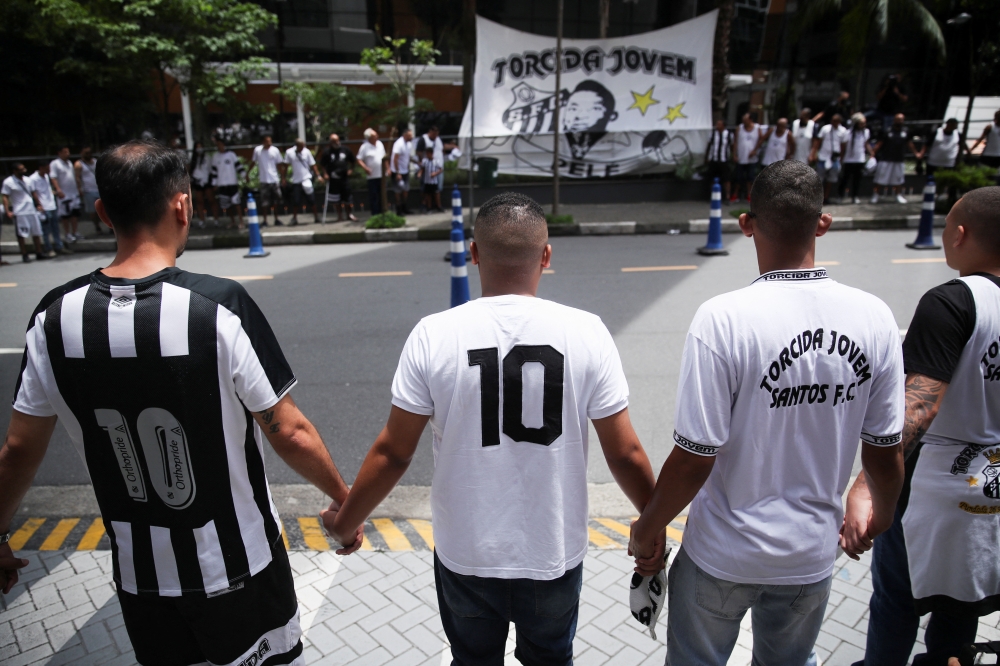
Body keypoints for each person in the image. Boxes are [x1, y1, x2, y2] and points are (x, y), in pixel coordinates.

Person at [0, 140, 363, 666]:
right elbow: (288, 430)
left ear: (103, 213)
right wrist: (342, 504)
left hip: (141, 581)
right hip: (239, 568)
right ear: (182, 206)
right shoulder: (217, 306)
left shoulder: (52, 320)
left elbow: (17, 449)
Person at [328, 192, 660, 665]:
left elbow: (394, 453)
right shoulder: (587, 331)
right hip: (552, 552)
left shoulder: (434, 334)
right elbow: (624, 452)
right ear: (546, 256)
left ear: (474, 253)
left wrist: (346, 522)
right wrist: (651, 525)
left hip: (466, 554)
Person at [629, 160, 906, 665]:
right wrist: (879, 514)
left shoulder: (723, 319)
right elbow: (885, 449)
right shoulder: (875, 318)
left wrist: (648, 526)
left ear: (746, 223)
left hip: (721, 555)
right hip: (809, 556)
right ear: (823, 223)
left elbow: (695, 458)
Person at [846, 187, 1000, 666]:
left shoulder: (953, 302)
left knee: (896, 600)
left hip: (933, 485)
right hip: (992, 481)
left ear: (959, 233)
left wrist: (867, 486)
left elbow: (918, 408)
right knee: (960, 601)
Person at [2, 163, 50, 262]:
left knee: (36, 232)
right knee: (21, 235)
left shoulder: (28, 180)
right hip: (20, 212)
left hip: (31, 210)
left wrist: (39, 204)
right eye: (21, 169)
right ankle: (24, 254)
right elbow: (5, 197)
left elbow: (33, 193)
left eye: (24, 168)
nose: (24, 170)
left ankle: (39, 252)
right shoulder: (9, 182)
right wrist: (8, 211)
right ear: (15, 171)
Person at [872, 113, 922, 204]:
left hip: (899, 159)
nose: (899, 121)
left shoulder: (905, 131)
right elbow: (879, 143)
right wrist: (873, 153)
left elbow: (909, 143)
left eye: (901, 119)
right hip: (886, 158)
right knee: (880, 178)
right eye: (897, 119)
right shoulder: (887, 131)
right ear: (894, 120)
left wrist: (916, 153)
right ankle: (875, 195)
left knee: (898, 178)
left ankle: (898, 195)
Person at [27, 162, 72, 255]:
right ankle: (48, 248)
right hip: (44, 207)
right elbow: (34, 193)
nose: (49, 170)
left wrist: (54, 193)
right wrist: (38, 204)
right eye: (47, 168)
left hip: (51, 205)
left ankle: (59, 246)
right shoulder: (33, 178)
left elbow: (46, 190)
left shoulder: (46, 176)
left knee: (55, 228)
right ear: (41, 167)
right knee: (46, 229)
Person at [318, 134, 357, 223]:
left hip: (344, 178)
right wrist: (325, 174)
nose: (337, 142)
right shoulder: (327, 152)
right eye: (334, 141)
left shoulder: (345, 149)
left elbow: (353, 161)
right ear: (331, 142)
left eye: (338, 140)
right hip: (333, 178)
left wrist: (351, 170)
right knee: (336, 199)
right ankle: (339, 216)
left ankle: (349, 214)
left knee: (347, 197)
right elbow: (322, 164)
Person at [810, 113, 848, 204]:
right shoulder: (825, 129)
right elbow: (818, 142)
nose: (833, 122)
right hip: (823, 157)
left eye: (835, 121)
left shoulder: (843, 131)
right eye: (832, 120)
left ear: (839, 122)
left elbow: (843, 146)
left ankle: (826, 197)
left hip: (834, 158)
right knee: (819, 179)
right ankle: (817, 198)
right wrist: (814, 153)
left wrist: (841, 158)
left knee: (831, 179)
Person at [283, 138, 320, 226]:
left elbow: (313, 165)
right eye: (301, 147)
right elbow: (285, 166)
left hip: (306, 179)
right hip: (296, 180)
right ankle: (294, 218)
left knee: (311, 199)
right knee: (296, 201)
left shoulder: (307, 152)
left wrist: (318, 175)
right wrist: (283, 178)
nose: (302, 148)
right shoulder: (289, 152)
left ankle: (316, 217)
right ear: (297, 146)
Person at [210, 137, 245, 228]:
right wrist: (214, 183)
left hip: (232, 183)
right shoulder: (215, 156)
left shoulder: (231, 155)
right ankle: (232, 221)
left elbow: (238, 166)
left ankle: (241, 221)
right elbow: (214, 171)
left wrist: (244, 175)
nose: (220, 146)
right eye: (218, 145)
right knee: (227, 205)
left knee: (236, 203)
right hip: (222, 184)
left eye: (221, 144)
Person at [249, 135, 285, 227]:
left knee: (276, 200)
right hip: (264, 179)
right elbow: (253, 162)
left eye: (270, 141)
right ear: (263, 142)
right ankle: (265, 220)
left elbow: (279, 164)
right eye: (267, 141)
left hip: (274, 179)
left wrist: (283, 177)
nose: (269, 143)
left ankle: (276, 219)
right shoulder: (258, 150)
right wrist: (247, 173)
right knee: (264, 201)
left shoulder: (275, 150)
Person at [839, 113, 874, 204]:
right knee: (845, 179)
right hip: (849, 160)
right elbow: (843, 147)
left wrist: (871, 152)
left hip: (860, 159)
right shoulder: (847, 133)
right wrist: (841, 159)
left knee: (857, 180)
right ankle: (841, 196)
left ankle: (855, 196)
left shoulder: (866, 132)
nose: (863, 125)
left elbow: (866, 144)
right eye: (861, 123)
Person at [732, 112, 766, 203]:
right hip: (741, 157)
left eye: (745, 120)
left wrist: (755, 150)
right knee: (738, 178)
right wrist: (734, 154)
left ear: (750, 120)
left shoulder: (757, 128)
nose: (744, 122)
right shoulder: (739, 128)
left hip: (752, 159)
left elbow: (761, 139)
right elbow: (735, 142)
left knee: (750, 177)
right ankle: (735, 195)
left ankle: (749, 195)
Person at [50, 146, 81, 242]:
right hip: (64, 194)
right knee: (65, 216)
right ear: (59, 153)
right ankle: (67, 234)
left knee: (74, 214)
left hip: (73, 193)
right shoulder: (55, 164)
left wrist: (78, 188)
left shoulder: (69, 163)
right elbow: (53, 177)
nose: (68, 154)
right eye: (65, 152)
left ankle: (75, 232)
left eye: (68, 152)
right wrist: (58, 190)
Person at [75, 147, 105, 236]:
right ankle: (97, 226)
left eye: (89, 152)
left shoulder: (95, 161)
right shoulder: (79, 164)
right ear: (82, 153)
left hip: (99, 189)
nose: (88, 154)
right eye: (86, 153)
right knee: (93, 211)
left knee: (105, 209)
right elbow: (77, 177)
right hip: (88, 190)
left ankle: (109, 227)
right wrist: (79, 189)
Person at [357, 128, 386, 216]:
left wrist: (387, 169)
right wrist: (365, 168)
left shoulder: (380, 144)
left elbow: (384, 157)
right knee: (374, 196)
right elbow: (359, 159)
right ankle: (375, 214)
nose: (377, 136)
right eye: (374, 135)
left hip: (382, 175)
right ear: (369, 137)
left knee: (382, 195)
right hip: (372, 176)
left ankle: (383, 213)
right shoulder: (364, 147)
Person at [416, 126, 445, 211]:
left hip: (437, 166)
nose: (435, 136)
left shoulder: (438, 140)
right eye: (434, 134)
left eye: (437, 134)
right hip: (427, 168)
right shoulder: (423, 139)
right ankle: (425, 205)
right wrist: (422, 165)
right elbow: (419, 152)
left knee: (438, 188)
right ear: (430, 132)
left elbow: (442, 150)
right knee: (426, 190)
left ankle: (437, 205)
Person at [704, 119, 733, 202]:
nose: (717, 126)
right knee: (712, 178)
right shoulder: (713, 134)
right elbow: (709, 145)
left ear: (723, 125)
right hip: (714, 159)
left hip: (724, 160)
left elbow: (732, 145)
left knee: (726, 179)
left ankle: (727, 196)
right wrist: (706, 157)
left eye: (719, 124)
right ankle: (712, 196)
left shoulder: (728, 134)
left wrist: (733, 155)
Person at [189, 141, 214, 227]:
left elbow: (211, 170)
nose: (199, 149)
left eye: (201, 147)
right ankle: (202, 219)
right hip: (197, 182)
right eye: (197, 147)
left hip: (207, 181)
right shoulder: (193, 159)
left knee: (211, 200)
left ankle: (216, 219)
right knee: (199, 202)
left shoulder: (207, 158)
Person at [391, 129, 414, 215]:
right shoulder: (399, 144)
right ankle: (398, 209)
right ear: (405, 135)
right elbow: (395, 159)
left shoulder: (409, 144)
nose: (411, 137)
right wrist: (397, 172)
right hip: (398, 171)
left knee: (405, 190)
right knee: (398, 191)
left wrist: (416, 162)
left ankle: (405, 207)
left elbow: (407, 157)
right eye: (409, 135)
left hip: (405, 171)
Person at [416, 146, 442, 214]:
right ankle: (429, 207)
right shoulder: (425, 161)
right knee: (428, 195)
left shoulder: (436, 161)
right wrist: (420, 173)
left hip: (434, 181)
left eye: (428, 153)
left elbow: (441, 169)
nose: (427, 155)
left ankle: (439, 206)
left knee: (436, 193)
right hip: (427, 181)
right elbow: (422, 169)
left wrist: (435, 173)